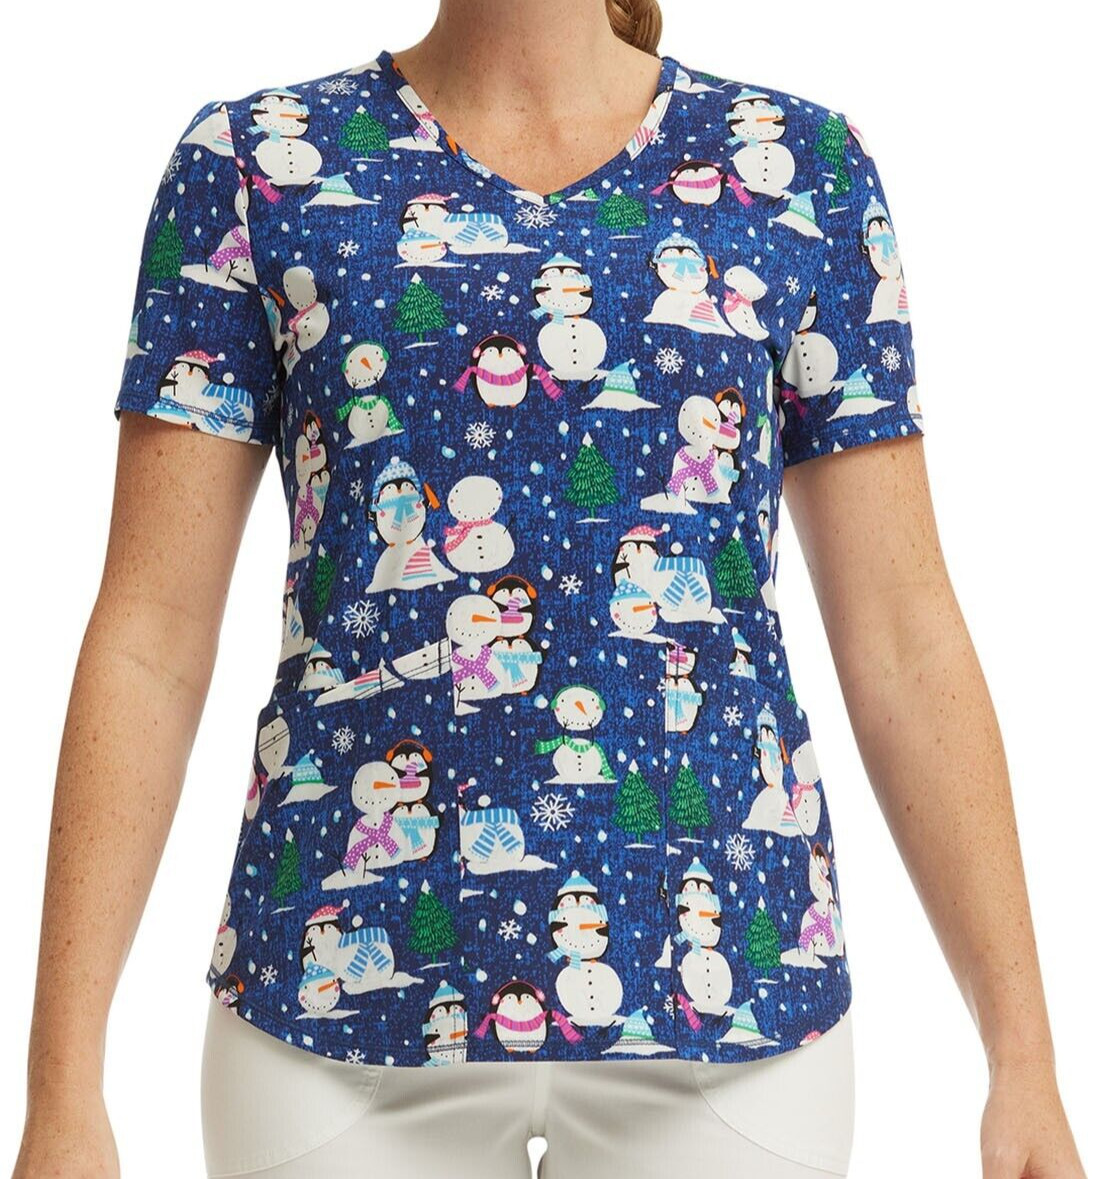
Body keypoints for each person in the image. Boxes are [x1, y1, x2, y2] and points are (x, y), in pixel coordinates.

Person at [12, 2, 1088, 1178]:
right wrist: (62, 1088)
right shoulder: (254, 165)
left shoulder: (798, 169)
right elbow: (150, 639)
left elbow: (901, 637)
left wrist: (1021, 1058)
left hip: (731, 1010)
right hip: (333, 1018)